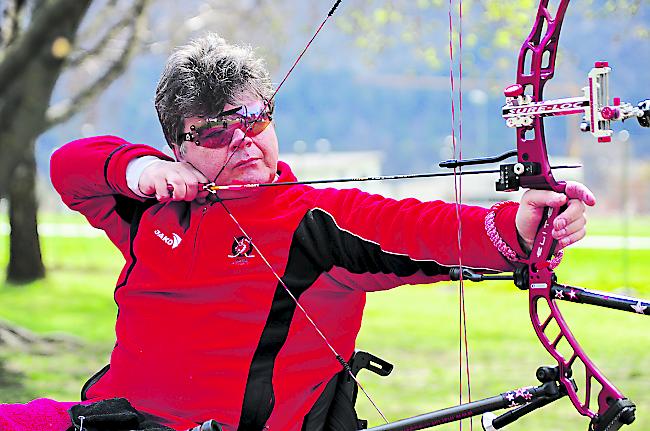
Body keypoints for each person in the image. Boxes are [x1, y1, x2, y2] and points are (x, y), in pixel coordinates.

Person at [7, 33, 595, 431]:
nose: (242, 140)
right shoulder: (147, 209)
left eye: (253, 118)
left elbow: (425, 229)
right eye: (213, 132)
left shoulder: (317, 223)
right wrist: (139, 170)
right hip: (109, 417)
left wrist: (522, 227)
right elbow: (70, 166)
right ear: (178, 148)